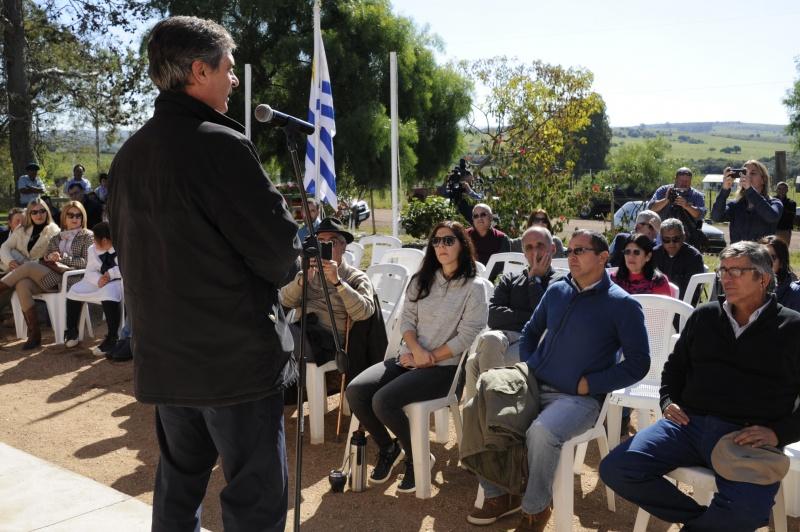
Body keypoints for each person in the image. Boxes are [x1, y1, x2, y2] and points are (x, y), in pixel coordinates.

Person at [107, 16, 300, 532]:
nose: (234, 80)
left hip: (167, 363)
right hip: (233, 366)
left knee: (177, 493)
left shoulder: (129, 156)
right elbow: (280, 256)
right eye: (229, 69)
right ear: (198, 70)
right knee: (254, 503)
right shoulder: (220, 145)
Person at [600, 241, 800, 531]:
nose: (726, 278)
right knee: (617, 469)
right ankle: (702, 524)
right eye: (723, 271)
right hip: (687, 426)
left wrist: (778, 433)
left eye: (737, 271)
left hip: (747, 436)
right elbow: (674, 369)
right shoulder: (705, 316)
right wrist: (668, 401)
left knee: (747, 512)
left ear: (763, 278)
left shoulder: (793, 328)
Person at [467, 229, 649, 530]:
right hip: (536, 383)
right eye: (571, 250)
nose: (572, 256)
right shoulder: (557, 291)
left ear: (603, 257)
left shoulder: (623, 305)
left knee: (540, 432)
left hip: (578, 399)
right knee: (479, 404)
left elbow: (639, 363)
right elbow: (530, 332)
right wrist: (530, 364)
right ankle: (499, 495)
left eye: (581, 251)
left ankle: (536, 507)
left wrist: (590, 384)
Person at [346, 221, 487, 494]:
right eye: (436, 241)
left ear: (462, 245)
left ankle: (417, 458)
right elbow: (407, 320)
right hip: (409, 359)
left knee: (383, 401)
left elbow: (468, 336)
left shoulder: (474, 287)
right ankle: (390, 448)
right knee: (356, 392)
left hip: (444, 370)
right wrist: (417, 351)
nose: (441, 246)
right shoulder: (420, 280)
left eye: (448, 241)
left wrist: (430, 357)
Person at [464, 226, 565, 401]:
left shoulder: (561, 281)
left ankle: (481, 417)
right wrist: (529, 316)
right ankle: (491, 412)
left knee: (474, 362)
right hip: (506, 338)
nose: (535, 252)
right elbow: (494, 316)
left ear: (553, 249)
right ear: (523, 252)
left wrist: (534, 280)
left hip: (538, 345)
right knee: (491, 339)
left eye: (540, 245)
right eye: (529, 247)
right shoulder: (510, 278)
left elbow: (546, 320)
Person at [279, 217, 375, 367]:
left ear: (344, 246)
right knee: (265, 330)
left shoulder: (355, 277)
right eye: (320, 241)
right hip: (301, 328)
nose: (324, 245)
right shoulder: (309, 270)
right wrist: (302, 281)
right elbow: (283, 301)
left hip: (328, 342)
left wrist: (338, 282)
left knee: (275, 337)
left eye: (332, 242)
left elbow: (364, 312)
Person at [0, 201, 91, 349]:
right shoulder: (58, 237)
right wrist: (51, 257)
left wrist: (63, 259)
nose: (74, 218)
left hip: (69, 279)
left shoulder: (87, 236)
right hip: (51, 277)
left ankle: (1, 286)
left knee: (28, 266)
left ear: (83, 217)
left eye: (78, 215)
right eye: (70, 215)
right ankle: (35, 334)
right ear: (64, 217)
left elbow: (87, 262)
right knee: (22, 284)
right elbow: (47, 256)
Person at [63, 222, 122, 355]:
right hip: (97, 281)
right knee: (74, 290)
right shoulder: (92, 249)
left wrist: (110, 274)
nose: (93, 241)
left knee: (109, 292)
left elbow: (126, 269)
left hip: (118, 282)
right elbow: (89, 271)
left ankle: (113, 337)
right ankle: (72, 332)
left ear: (105, 240)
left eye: (96, 239)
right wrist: (98, 280)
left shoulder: (121, 248)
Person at [711, 160, 783, 243]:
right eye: (745, 173)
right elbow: (716, 217)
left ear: (763, 180)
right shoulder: (735, 205)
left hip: (761, 254)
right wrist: (724, 190)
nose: (748, 176)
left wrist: (749, 190)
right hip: (738, 254)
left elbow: (771, 217)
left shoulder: (774, 203)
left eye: (752, 173)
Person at [647, 167, 707, 250]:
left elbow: (700, 214)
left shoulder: (696, 195)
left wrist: (686, 206)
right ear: (675, 179)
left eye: (687, 181)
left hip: (687, 238)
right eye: (681, 181)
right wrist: (666, 200)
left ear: (691, 181)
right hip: (662, 236)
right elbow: (651, 209)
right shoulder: (664, 190)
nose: (684, 184)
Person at [652, 218, 705, 302]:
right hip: (657, 302)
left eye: (676, 239)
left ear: (683, 237)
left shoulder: (694, 257)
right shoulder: (654, 254)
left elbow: (693, 291)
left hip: (682, 304)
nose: (671, 243)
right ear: (661, 239)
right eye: (667, 240)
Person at [468, 203, 510, 278]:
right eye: (476, 216)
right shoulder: (464, 235)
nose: (479, 218)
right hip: (468, 278)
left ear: (491, 217)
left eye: (483, 214)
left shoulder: (502, 238)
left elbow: (501, 266)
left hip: (492, 282)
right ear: (473, 219)